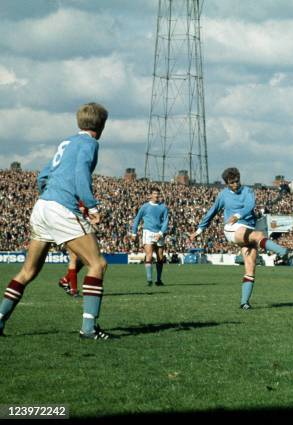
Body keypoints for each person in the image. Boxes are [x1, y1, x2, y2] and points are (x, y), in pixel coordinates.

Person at [0, 102, 113, 340]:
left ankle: (0, 319)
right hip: (61, 207)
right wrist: (91, 205)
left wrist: (48, 197)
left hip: (42, 206)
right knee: (97, 264)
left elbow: (43, 175)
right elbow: (81, 171)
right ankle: (88, 328)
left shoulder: (67, 142)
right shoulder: (90, 143)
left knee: (28, 271)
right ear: (101, 125)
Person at [189, 167, 289, 309]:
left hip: (247, 229)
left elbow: (250, 205)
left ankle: (244, 303)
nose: (235, 184)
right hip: (232, 229)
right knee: (259, 235)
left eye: (237, 181)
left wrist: (238, 215)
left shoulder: (247, 191)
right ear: (227, 183)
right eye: (232, 182)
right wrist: (198, 230)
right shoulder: (223, 195)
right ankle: (283, 252)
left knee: (250, 267)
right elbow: (212, 212)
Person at [131, 187, 169, 286]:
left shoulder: (163, 207)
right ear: (150, 195)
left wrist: (160, 233)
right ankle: (149, 280)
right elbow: (137, 219)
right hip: (148, 232)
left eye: (158, 194)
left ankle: (158, 280)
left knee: (160, 257)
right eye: (155, 193)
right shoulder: (145, 207)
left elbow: (166, 221)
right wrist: (133, 233)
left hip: (159, 233)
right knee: (149, 255)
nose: (156, 195)